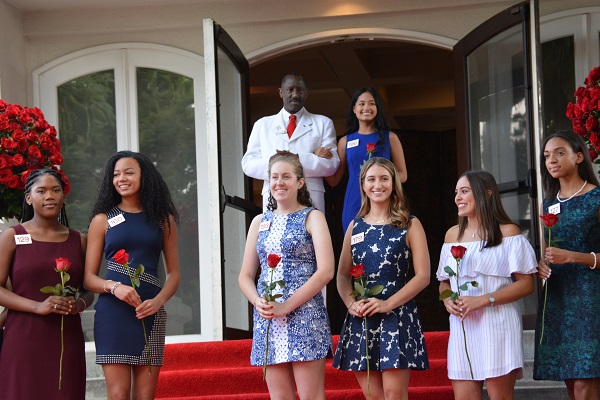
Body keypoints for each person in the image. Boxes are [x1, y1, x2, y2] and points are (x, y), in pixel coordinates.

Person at [84, 151, 181, 400]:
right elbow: (88, 278)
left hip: (150, 312)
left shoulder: (163, 219)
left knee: (145, 396)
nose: (121, 178)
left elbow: (174, 274)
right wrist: (115, 287)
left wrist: (158, 302)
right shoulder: (102, 219)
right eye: (116, 174)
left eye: (129, 172)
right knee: (117, 394)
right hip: (112, 314)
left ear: (144, 176)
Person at [238, 150, 334, 400]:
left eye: (286, 177)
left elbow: (326, 271)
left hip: (305, 315)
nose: (279, 182)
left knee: (311, 396)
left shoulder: (313, 217)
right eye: (274, 177)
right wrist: (257, 300)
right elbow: (245, 276)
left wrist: (287, 306)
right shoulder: (259, 221)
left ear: (300, 182)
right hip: (268, 318)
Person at [332, 157, 429, 400]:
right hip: (363, 317)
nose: (378, 185)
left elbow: (423, 276)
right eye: (371, 179)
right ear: (363, 184)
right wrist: (350, 303)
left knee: (394, 394)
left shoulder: (410, 224)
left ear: (394, 183)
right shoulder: (355, 226)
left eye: (384, 178)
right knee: (372, 396)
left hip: (396, 315)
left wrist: (387, 304)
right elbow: (343, 275)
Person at [437, 170, 537, 400]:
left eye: (464, 191)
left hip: (498, 324)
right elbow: (444, 282)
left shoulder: (508, 233)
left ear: (487, 194)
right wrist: (447, 300)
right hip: (463, 327)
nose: (457, 198)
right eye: (456, 193)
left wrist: (484, 300)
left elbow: (525, 285)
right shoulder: (452, 235)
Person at [0, 168, 93, 399]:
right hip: (23, 339)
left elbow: (88, 290)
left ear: (63, 196)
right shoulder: (12, 236)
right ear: (29, 197)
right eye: (41, 191)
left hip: (66, 340)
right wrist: (37, 306)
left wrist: (79, 304)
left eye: (55, 190)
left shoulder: (79, 240)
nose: (49, 196)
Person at [533, 130, 600, 399]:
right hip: (557, 297)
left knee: (585, 382)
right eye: (547, 156)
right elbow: (548, 252)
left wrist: (573, 256)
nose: (552, 160)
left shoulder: (596, 198)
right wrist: (541, 265)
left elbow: (567, 253)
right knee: (572, 384)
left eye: (560, 153)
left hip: (589, 299)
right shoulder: (548, 205)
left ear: (579, 156)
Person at [241, 73, 340, 213]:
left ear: (306, 93)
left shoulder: (323, 123)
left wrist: (298, 157)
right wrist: (280, 162)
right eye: (290, 90)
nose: (295, 94)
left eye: (299, 90)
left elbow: (331, 165)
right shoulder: (262, 125)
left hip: (310, 197)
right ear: (281, 92)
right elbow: (248, 164)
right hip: (274, 198)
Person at [325, 87, 407, 231]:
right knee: (354, 246)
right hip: (354, 201)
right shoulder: (344, 141)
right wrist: (318, 159)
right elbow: (334, 179)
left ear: (377, 108)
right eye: (361, 104)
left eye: (371, 103)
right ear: (354, 109)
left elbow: (403, 174)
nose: (366, 107)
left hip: (382, 199)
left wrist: (380, 182)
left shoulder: (390, 138)